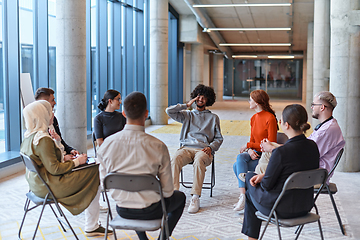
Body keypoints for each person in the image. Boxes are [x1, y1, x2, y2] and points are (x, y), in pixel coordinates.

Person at [97, 92, 185, 240]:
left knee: (131, 191)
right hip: (152, 210)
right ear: (146, 114)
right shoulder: (158, 146)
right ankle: (162, 238)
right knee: (180, 197)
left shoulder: (107, 145)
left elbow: (103, 183)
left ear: (124, 113)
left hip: (122, 209)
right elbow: (168, 191)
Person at [20, 100, 111, 237]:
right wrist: (78, 162)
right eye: (49, 111)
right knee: (94, 172)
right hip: (51, 185)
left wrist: (65, 158)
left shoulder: (29, 136)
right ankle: (92, 225)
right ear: (41, 116)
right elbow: (55, 169)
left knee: (92, 172)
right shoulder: (43, 139)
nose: (52, 113)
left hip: (37, 185)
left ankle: (92, 223)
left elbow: (45, 161)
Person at [242, 104, 320, 240]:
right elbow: (296, 172)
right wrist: (264, 176)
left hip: (280, 208)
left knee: (249, 180)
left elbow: (267, 186)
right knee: (256, 178)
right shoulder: (313, 147)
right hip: (305, 205)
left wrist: (261, 177)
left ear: (286, 125)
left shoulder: (281, 152)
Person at [261, 91, 345, 183]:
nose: (311, 107)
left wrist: (272, 149)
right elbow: (302, 149)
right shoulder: (328, 125)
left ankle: (258, 190)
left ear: (322, 107)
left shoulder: (327, 130)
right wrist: (274, 147)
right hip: (310, 168)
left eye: (313, 104)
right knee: (270, 151)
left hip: (311, 173)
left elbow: (302, 154)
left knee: (263, 168)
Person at [166, 84, 223, 214]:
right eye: (198, 97)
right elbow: (169, 111)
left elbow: (219, 138)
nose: (200, 100)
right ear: (194, 98)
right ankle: (174, 194)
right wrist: (186, 105)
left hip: (203, 150)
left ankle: (195, 197)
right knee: (175, 158)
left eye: (204, 97)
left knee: (199, 161)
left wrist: (210, 147)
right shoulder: (187, 115)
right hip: (186, 147)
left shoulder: (213, 118)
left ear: (208, 100)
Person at [233, 89, 277, 211]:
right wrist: (250, 149)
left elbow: (270, 144)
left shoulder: (270, 118)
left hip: (265, 157)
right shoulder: (253, 118)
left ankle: (245, 197)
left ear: (257, 102)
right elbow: (252, 140)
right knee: (240, 158)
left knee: (237, 166)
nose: (249, 101)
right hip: (256, 153)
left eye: (250, 99)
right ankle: (243, 196)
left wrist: (249, 145)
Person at [35, 88, 79, 157]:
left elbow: (60, 141)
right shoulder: (38, 127)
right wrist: (64, 159)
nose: (55, 103)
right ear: (45, 103)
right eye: (52, 100)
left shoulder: (53, 119)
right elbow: (49, 156)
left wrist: (70, 150)